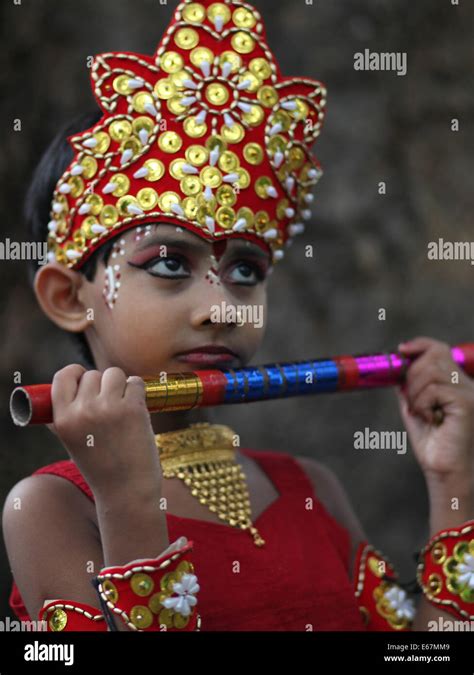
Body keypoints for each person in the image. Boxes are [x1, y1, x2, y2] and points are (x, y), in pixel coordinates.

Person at [3, 0, 473, 632]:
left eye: (246, 271)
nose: (223, 308)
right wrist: (129, 503)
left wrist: (453, 481)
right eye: (169, 264)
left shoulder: (311, 485)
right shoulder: (50, 507)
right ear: (68, 296)